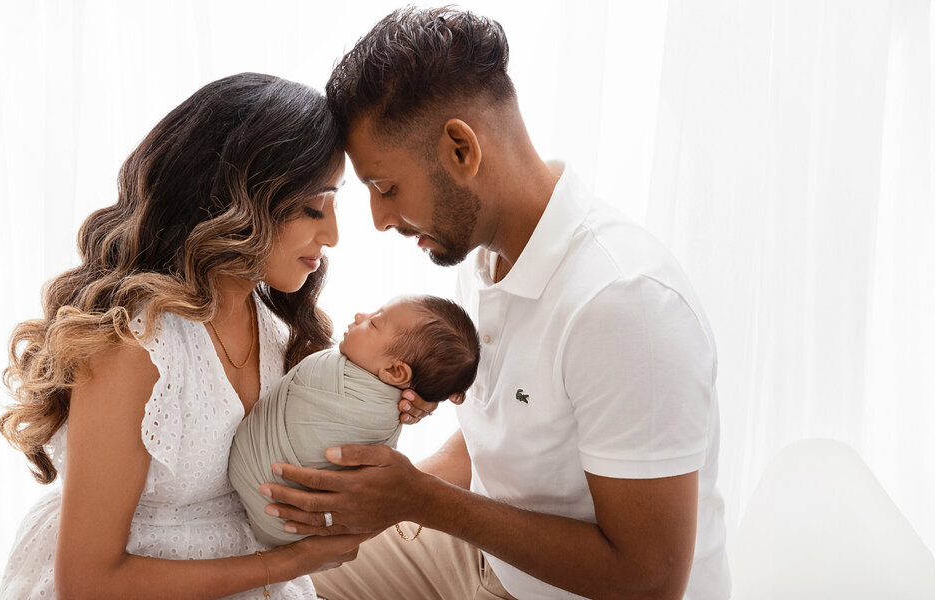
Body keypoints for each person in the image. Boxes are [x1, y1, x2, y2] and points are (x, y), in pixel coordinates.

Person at [258, 7, 730, 600]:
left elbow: (649, 579)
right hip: (480, 555)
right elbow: (509, 444)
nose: (378, 221)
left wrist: (417, 499)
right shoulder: (485, 255)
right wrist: (378, 495)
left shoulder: (624, 304)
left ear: (461, 149)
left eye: (386, 189)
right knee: (275, 576)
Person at [0, 72, 419, 600]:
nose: (332, 235)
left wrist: (382, 403)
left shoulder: (272, 325)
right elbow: (87, 584)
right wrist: (286, 563)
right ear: (234, 200)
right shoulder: (137, 347)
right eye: (314, 206)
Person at [229, 295, 479, 546]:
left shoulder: (344, 385)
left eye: (373, 324)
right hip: (281, 529)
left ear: (394, 371)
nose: (360, 316)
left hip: (274, 506)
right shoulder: (391, 403)